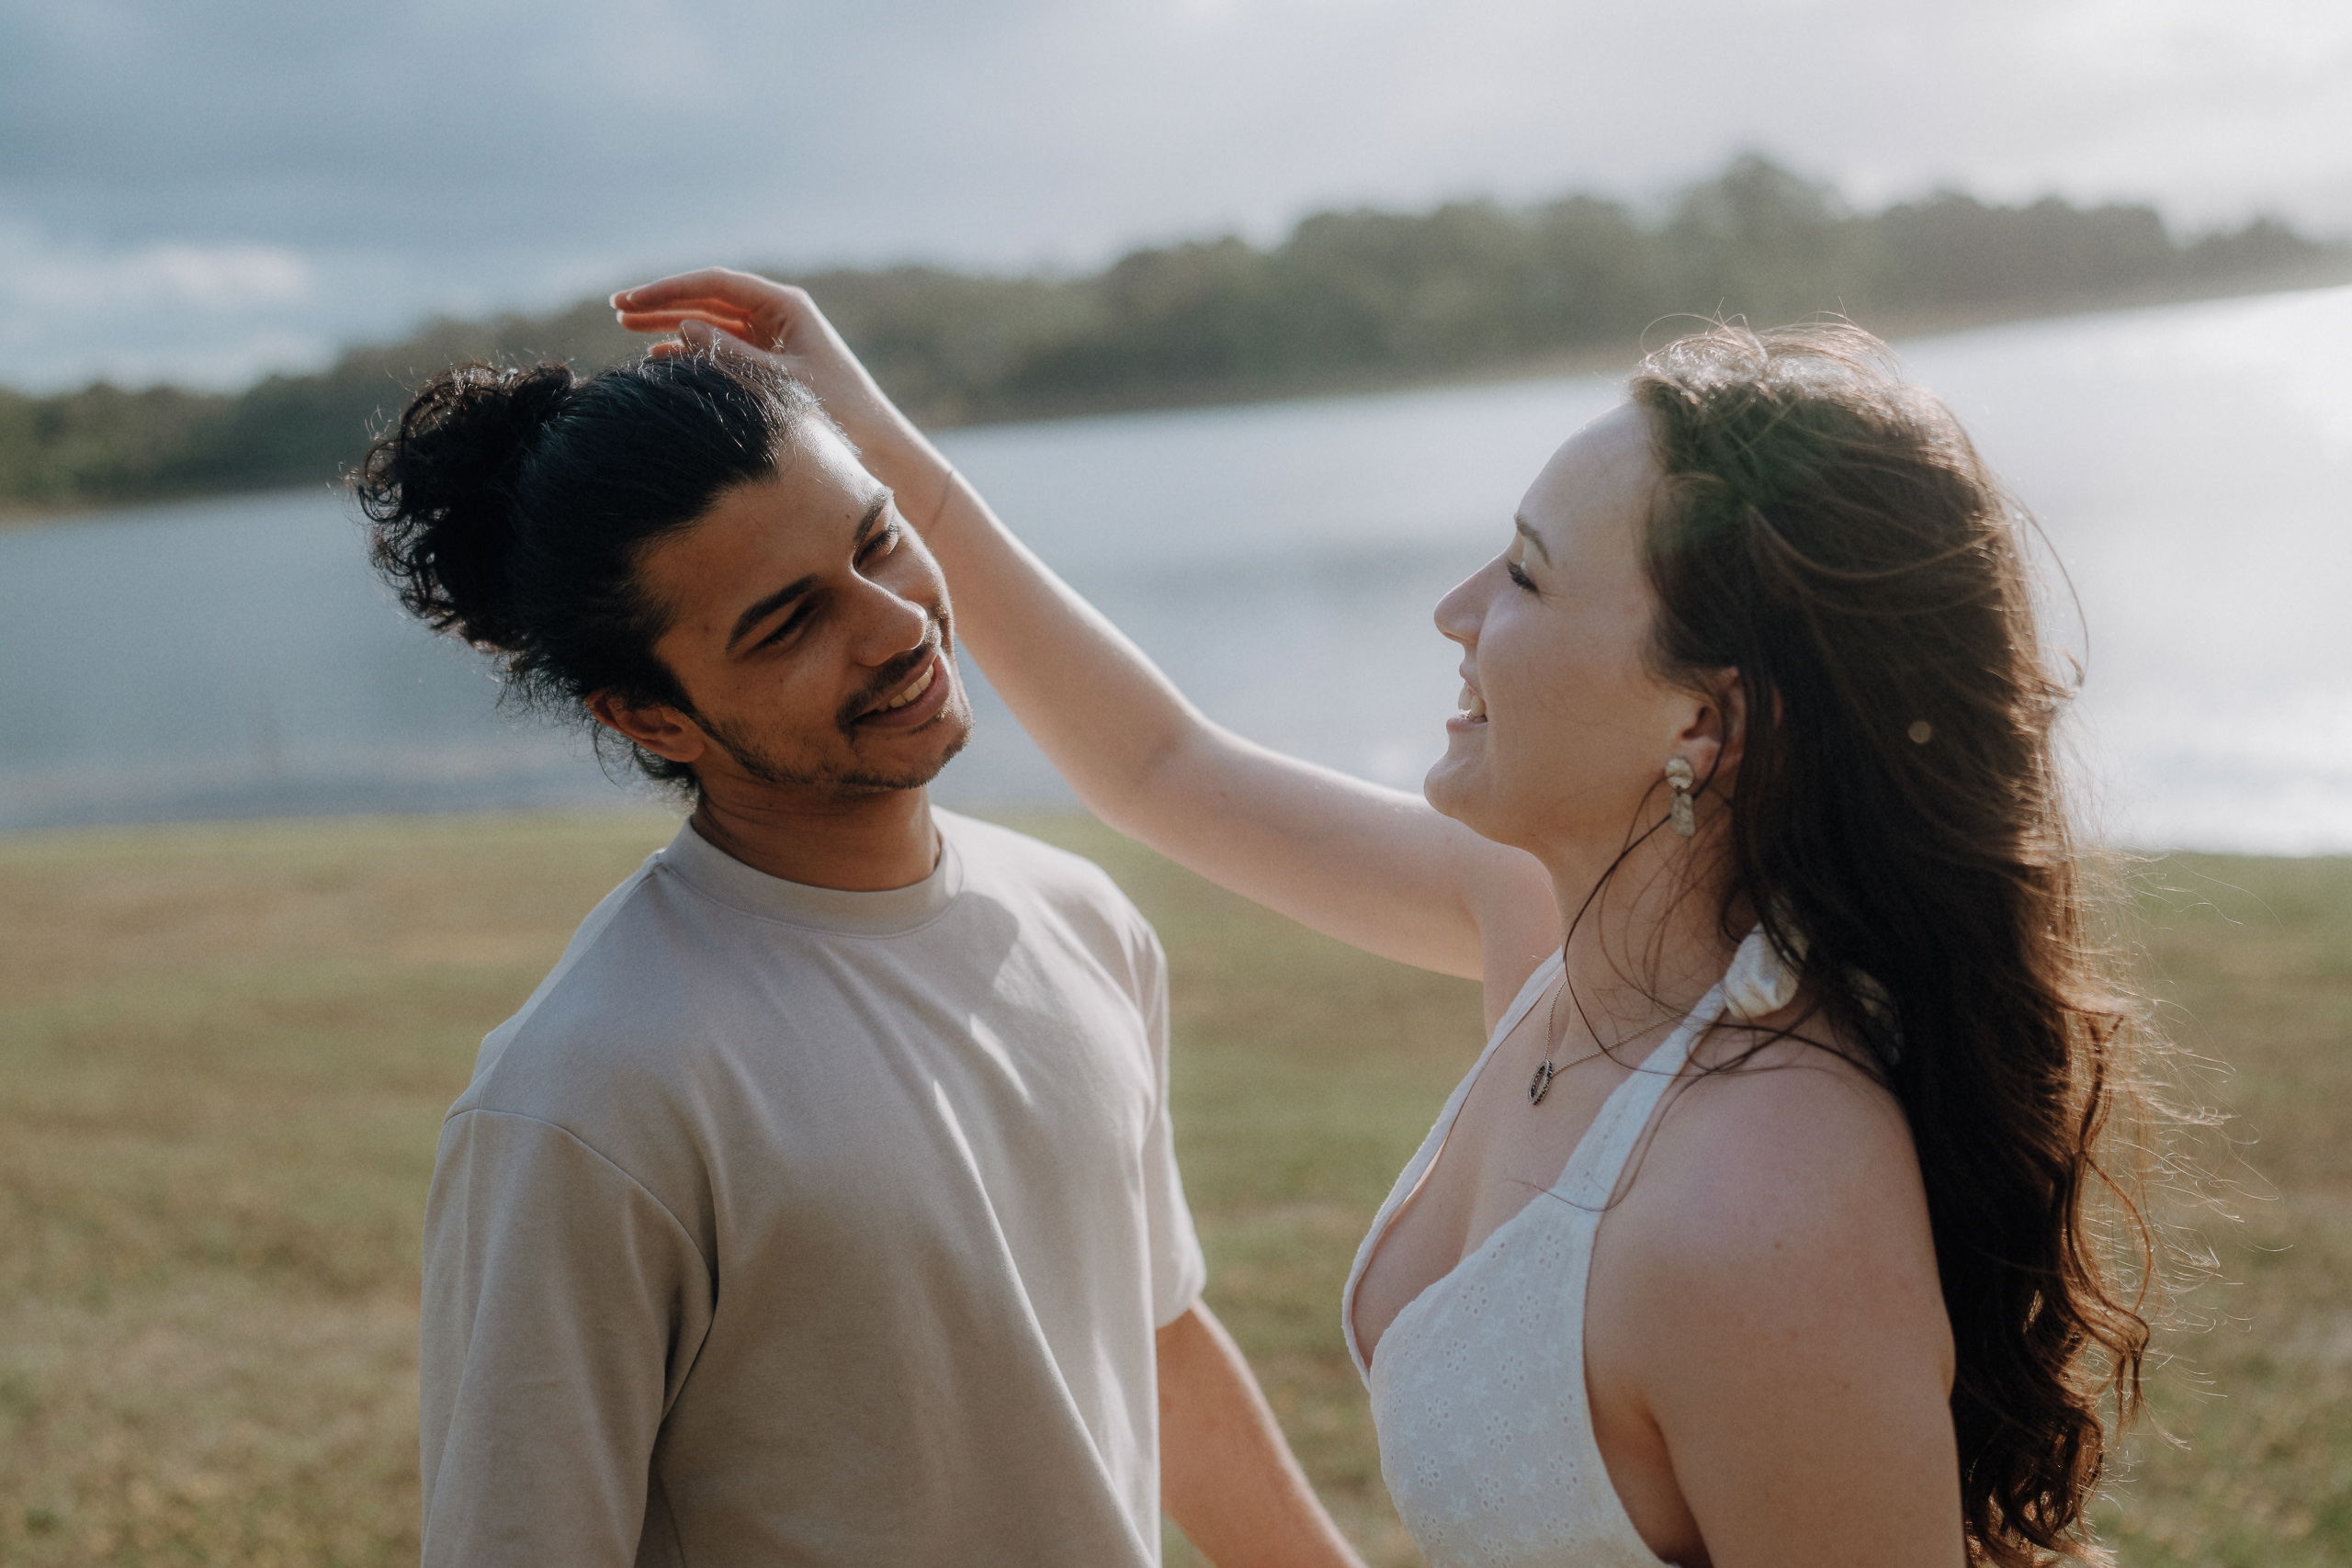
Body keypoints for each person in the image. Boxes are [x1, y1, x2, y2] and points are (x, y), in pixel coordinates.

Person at [612, 269, 2161, 1567]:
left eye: (1532, 582)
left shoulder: (1773, 1204)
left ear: (1705, 725)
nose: (1456, 608)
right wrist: (873, 446)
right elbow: (1165, 767)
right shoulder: (1566, 935)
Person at [357, 352, 1365, 1567]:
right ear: (650, 717)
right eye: (791, 621)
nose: (897, 625)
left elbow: (1151, 1341)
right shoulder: (588, 1097)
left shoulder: (1079, 917)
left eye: (878, 541)